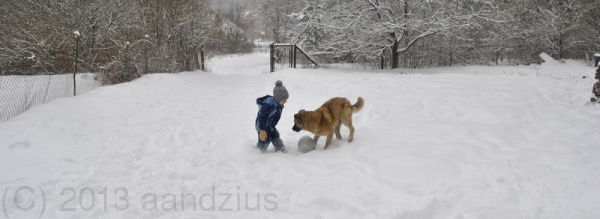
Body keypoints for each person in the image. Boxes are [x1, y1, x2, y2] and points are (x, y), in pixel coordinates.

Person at [255, 80, 289, 152]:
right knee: (265, 138)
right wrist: (262, 130)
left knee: (275, 135)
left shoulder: (278, 104)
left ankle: (280, 148)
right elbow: (262, 118)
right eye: (284, 100)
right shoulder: (268, 105)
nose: (285, 101)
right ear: (278, 98)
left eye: (286, 99)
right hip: (262, 126)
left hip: (270, 125)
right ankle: (260, 150)